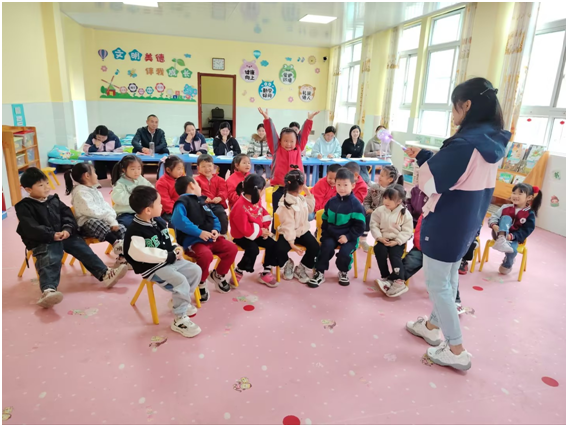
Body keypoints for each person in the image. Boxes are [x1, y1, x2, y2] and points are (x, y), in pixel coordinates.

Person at [404, 77, 508, 371]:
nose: (453, 114)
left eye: (454, 107)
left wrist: (424, 164)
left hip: (447, 222)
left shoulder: (464, 144)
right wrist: (426, 156)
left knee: (438, 285)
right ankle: (431, 326)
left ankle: (456, 349)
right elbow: (461, 174)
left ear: (467, 105)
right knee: (448, 280)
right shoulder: (491, 140)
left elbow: (431, 183)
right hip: (467, 221)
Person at [15, 168, 128, 308]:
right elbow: (30, 227)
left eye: (47, 183)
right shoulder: (24, 206)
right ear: (28, 189)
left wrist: (67, 230)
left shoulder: (54, 200)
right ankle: (48, 290)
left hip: (64, 235)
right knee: (50, 257)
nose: (46, 187)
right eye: (41, 185)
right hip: (43, 240)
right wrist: (51, 235)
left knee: (83, 249)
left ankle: (105, 274)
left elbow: (68, 216)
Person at [124, 186, 202, 338]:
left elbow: (168, 238)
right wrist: (168, 255)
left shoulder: (158, 221)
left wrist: (175, 247)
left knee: (195, 270)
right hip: (152, 268)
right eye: (159, 203)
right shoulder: (135, 231)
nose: (162, 205)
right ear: (148, 210)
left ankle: (179, 301)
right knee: (180, 281)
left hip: (168, 260)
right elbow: (141, 254)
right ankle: (179, 319)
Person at [172, 176, 238, 295]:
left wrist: (216, 230)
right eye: (198, 185)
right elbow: (178, 220)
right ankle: (201, 282)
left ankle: (218, 275)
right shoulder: (182, 202)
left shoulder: (201, 202)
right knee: (206, 255)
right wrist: (199, 232)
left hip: (211, 239)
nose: (199, 188)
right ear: (192, 185)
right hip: (194, 242)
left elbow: (213, 218)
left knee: (232, 248)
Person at [392, 215, 469, 315]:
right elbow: (419, 233)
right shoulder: (427, 213)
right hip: (423, 248)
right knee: (410, 262)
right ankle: (394, 281)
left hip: (444, 252)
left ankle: (455, 301)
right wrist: (422, 247)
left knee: (449, 275)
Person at [258, 108, 318, 223]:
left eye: (291, 141)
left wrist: (309, 120)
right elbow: (271, 134)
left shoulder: (298, 147)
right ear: (280, 141)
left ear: (296, 141)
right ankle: (275, 232)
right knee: (277, 214)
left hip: (295, 188)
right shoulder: (276, 148)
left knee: (295, 214)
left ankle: (294, 231)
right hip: (279, 187)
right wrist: (267, 119)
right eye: (285, 141)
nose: (289, 144)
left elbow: (304, 134)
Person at [308, 168, 365, 288]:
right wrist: (326, 234)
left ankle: (343, 271)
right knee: (325, 248)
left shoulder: (356, 205)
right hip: (332, 234)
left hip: (349, 237)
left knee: (345, 253)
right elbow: (325, 219)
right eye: (339, 185)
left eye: (345, 185)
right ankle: (319, 272)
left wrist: (347, 237)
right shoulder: (331, 202)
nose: (342, 188)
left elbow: (360, 227)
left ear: (353, 185)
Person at [64, 162, 127, 267]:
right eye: (95, 173)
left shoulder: (94, 190)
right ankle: (115, 243)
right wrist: (108, 219)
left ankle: (123, 257)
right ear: (87, 175)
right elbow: (92, 212)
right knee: (94, 222)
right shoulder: (80, 192)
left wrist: (112, 220)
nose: (97, 175)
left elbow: (106, 207)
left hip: (102, 221)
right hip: (86, 226)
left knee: (121, 228)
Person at [229, 174, 280, 287]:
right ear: (258, 191)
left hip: (257, 232)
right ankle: (239, 270)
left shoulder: (256, 199)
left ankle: (266, 271)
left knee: (273, 244)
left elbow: (263, 213)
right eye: (263, 189)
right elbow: (245, 229)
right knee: (253, 249)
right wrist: (261, 232)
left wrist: (265, 229)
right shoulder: (240, 206)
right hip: (241, 236)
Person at [275, 171, 320, 284]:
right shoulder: (285, 203)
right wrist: (291, 243)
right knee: (279, 249)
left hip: (302, 231)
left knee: (315, 247)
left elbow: (310, 209)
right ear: (300, 186)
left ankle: (301, 268)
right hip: (288, 233)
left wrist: (308, 193)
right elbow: (288, 225)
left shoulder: (300, 198)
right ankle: (288, 264)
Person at [370, 184, 414, 297]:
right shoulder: (379, 210)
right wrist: (379, 237)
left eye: (390, 199)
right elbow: (374, 225)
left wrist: (398, 241)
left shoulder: (405, 213)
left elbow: (407, 231)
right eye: (385, 198)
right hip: (383, 239)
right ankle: (386, 277)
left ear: (399, 201)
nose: (386, 201)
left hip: (397, 242)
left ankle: (399, 281)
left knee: (395, 255)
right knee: (379, 250)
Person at [487, 183, 541, 274]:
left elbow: (526, 230)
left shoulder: (529, 213)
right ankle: (501, 239)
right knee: (506, 218)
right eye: (514, 193)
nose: (515, 196)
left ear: (529, 197)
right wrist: (494, 225)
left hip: (513, 238)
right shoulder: (505, 207)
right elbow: (493, 217)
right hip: (498, 234)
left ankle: (507, 264)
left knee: (513, 250)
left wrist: (511, 236)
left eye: (520, 194)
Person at [361, 165, 404, 251]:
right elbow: (366, 200)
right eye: (380, 174)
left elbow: (394, 207)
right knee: (364, 216)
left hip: (386, 215)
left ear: (390, 179)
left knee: (375, 220)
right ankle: (361, 239)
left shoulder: (394, 192)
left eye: (382, 176)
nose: (379, 177)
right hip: (372, 212)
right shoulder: (374, 187)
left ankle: (382, 240)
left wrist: (379, 213)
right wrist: (367, 208)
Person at [111, 155, 153, 228]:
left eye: (139, 168)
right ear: (124, 169)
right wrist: (138, 199)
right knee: (131, 225)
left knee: (158, 221)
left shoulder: (141, 179)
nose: (136, 172)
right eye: (133, 169)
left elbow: (151, 190)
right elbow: (118, 199)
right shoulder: (120, 183)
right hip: (125, 213)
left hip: (142, 211)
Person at [193, 154, 229, 235]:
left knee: (221, 214)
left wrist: (220, 198)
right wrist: (203, 198)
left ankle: (223, 234)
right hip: (203, 204)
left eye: (209, 166)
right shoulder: (196, 180)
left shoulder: (220, 180)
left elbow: (224, 191)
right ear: (198, 168)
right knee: (204, 216)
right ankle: (205, 234)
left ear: (214, 166)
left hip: (217, 204)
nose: (207, 169)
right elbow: (195, 192)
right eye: (203, 166)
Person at [155, 155, 185, 223]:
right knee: (179, 222)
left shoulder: (183, 178)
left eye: (182, 168)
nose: (181, 171)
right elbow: (166, 203)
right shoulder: (161, 183)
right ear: (168, 170)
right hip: (168, 211)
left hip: (182, 207)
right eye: (178, 169)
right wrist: (179, 211)